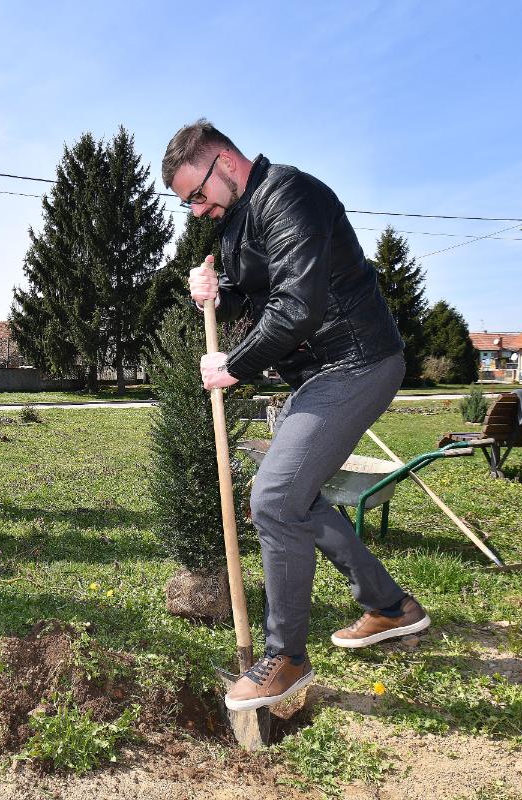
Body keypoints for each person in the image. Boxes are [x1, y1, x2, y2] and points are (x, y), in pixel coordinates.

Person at [162, 119, 431, 711]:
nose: (197, 211)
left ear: (225, 162)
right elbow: (257, 295)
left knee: (275, 499)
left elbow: (297, 307)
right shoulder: (237, 220)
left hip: (357, 360)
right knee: (298, 501)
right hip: (316, 374)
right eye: (188, 204)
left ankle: (285, 657)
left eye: (198, 195)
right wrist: (216, 294)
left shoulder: (290, 195)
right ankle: (391, 606)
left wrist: (235, 365)